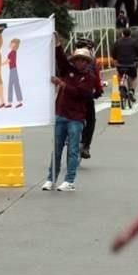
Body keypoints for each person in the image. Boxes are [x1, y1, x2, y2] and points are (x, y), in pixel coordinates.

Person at [43, 41, 97, 192]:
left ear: (87, 62)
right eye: (77, 59)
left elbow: (81, 93)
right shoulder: (68, 70)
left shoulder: (89, 78)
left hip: (76, 118)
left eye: (83, 60)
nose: (80, 62)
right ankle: (51, 179)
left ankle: (69, 180)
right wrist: (58, 44)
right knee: (57, 149)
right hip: (61, 114)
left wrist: (63, 84)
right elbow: (61, 59)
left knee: (73, 150)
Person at [75, 38, 104, 159]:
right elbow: (96, 79)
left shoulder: (71, 60)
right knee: (90, 120)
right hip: (86, 96)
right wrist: (98, 91)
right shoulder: (91, 61)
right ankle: (86, 146)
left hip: (70, 97)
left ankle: (66, 137)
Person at [113, 28, 138, 95]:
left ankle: (122, 85)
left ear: (122, 34)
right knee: (134, 77)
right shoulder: (134, 42)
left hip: (120, 64)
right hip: (131, 64)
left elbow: (114, 54)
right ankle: (132, 90)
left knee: (120, 75)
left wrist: (116, 60)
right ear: (130, 34)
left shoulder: (117, 42)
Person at [3, 38, 24, 108]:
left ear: (15, 45)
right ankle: (12, 102)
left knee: (13, 85)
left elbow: (8, 61)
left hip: (13, 70)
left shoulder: (13, 52)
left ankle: (15, 102)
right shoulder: (13, 52)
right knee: (13, 85)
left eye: (12, 43)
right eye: (11, 43)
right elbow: (8, 61)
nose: (10, 44)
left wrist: (0, 64)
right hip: (13, 69)